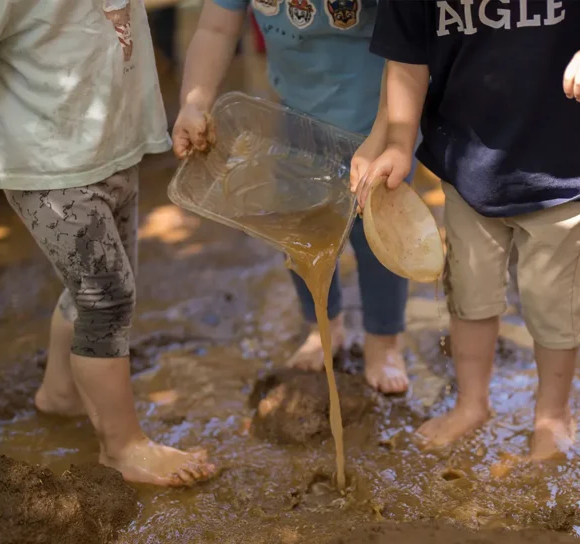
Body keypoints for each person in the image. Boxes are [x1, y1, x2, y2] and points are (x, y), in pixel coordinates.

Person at [0, 0, 215, 487]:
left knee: (98, 287)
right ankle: (122, 446)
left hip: (111, 142)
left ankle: (61, 394)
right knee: (108, 298)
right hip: (47, 161)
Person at [359, 0, 580, 457]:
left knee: (554, 305)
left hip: (563, 169)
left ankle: (552, 414)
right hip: (467, 164)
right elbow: (407, 58)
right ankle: (472, 403)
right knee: (470, 295)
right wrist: (397, 142)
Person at [172, 0, 411, 395]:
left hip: (384, 121)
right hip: (298, 118)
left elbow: (409, 49)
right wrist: (194, 103)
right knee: (298, 229)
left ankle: (383, 341)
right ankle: (324, 328)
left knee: (382, 239)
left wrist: (390, 136)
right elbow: (215, 29)